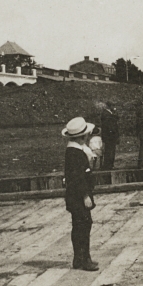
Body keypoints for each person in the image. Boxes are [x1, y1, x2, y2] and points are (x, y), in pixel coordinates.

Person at [62, 116, 99, 271]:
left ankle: (81, 258)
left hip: (75, 195)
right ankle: (83, 259)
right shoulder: (76, 154)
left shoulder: (73, 151)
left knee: (80, 224)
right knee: (83, 225)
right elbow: (77, 178)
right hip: (78, 196)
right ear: (82, 136)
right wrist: (85, 196)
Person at [100, 101, 119, 170]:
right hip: (110, 136)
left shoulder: (108, 114)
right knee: (109, 151)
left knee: (110, 150)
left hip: (109, 136)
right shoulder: (107, 114)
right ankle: (108, 165)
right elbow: (110, 126)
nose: (114, 107)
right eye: (113, 106)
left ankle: (109, 165)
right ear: (110, 106)